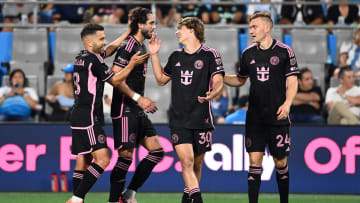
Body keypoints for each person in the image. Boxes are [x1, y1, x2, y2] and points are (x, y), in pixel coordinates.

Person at [66, 23, 149, 203]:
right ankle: (76, 199)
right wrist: (131, 64)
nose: (105, 42)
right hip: (88, 116)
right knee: (103, 159)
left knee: (84, 160)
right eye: (101, 39)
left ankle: (77, 198)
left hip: (79, 114)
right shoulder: (94, 60)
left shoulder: (82, 56)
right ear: (90, 43)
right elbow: (115, 80)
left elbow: (109, 50)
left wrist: (126, 33)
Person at [223, 12, 299, 203]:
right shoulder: (248, 53)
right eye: (250, 27)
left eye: (254, 27)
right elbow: (240, 80)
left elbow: (293, 81)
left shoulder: (284, 51)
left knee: (280, 162)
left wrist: (288, 103)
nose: (251, 31)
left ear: (267, 27)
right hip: (255, 117)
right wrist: (219, 75)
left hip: (278, 116)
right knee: (254, 163)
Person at [148, 16, 225, 203]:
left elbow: (219, 81)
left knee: (197, 165)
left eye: (180, 28)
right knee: (187, 161)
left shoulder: (210, 54)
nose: (177, 32)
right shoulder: (175, 56)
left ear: (192, 30)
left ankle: (187, 200)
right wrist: (154, 54)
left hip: (202, 117)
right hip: (179, 118)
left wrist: (212, 93)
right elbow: (160, 80)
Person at [108, 7, 164, 203]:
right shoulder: (128, 47)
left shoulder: (140, 46)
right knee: (125, 158)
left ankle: (129, 193)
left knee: (157, 151)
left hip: (137, 109)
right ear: (140, 24)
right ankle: (114, 200)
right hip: (124, 108)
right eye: (151, 23)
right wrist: (138, 98)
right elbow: (113, 78)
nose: (154, 27)